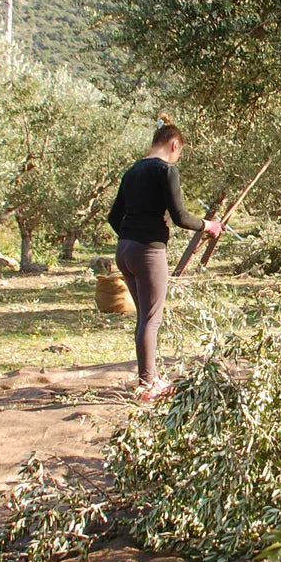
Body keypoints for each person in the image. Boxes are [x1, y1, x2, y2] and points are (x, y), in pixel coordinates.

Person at [107, 119, 223, 399]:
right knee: (151, 320)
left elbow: (113, 217)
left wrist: (130, 236)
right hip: (149, 252)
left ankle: (149, 377)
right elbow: (181, 217)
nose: (178, 157)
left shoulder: (131, 171)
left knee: (144, 319)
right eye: (179, 151)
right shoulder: (166, 170)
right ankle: (148, 385)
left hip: (124, 250)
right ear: (174, 144)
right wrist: (209, 225)